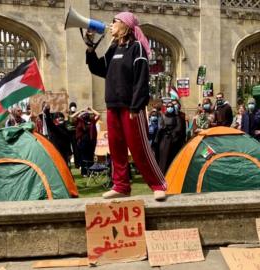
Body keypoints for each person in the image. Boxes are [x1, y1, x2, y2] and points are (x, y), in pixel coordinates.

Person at [85, 11, 167, 200]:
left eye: (115, 21)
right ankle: (121, 185)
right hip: (112, 105)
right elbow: (99, 68)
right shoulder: (113, 48)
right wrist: (90, 47)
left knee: (139, 148)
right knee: (116, 147)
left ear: (126, 26)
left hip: (131, 107)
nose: (111, 24)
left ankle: (158, 184)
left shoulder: (137, 48)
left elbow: (141, 79)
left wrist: (136, 106)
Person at [156, 102, 185, 174]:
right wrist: (164, 130)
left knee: (172, 156)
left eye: (171, 106)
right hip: (164, 139)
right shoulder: (163, 116)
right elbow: (160, 127)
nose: (170, 108)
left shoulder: (177, 117)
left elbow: (179, 128)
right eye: (168, 106)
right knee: (163, 156)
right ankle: (162, 172)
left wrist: (172, 133)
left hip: (173, 140)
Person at [75, 108, 100, 176]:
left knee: (90, 157)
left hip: (91, 141)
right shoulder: (80, 121)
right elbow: (72, 117)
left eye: (87, 114)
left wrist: (91, 109)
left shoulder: (92, 121)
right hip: (82, 142)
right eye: (84, 114)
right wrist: (81, 110)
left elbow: (98, 114)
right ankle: (84, 172)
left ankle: (91, 171)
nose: (86, 115)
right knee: (84, 157)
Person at [66, 102, 80, 168]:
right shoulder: (67, 114)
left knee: (76, 149)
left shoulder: (77, 115)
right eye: (72, 106)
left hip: (75, 133)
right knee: (68, 149)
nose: (73, 107)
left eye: (74, 106)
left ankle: (77, 163)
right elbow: (71, 118)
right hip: (68, 133)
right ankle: (68, 162)